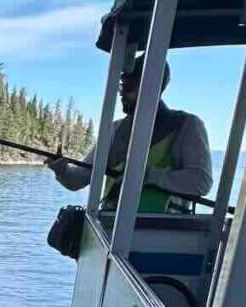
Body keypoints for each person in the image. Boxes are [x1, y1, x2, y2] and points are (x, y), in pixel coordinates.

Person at [47, 54, 212, 213]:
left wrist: (148, 175)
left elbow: (201, 182)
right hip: (109, 227)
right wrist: (62, 170)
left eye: (129, 87)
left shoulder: (187, 126)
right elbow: (79, 179)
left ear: (152, 88)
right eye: (121, 86)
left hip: (164, 230)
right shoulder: (114, 129)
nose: (121, 93)